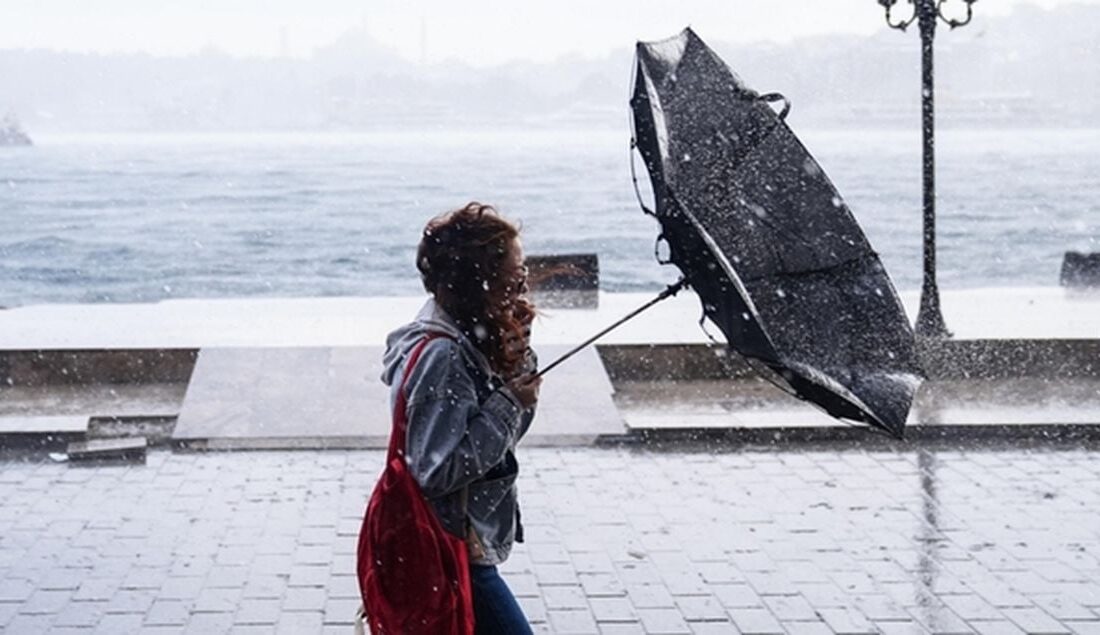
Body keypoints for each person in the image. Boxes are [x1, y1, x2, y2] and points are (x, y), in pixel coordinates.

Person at [380, 202, 541, 634]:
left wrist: (517, 363)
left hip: (459, 543)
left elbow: (505, 441)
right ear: (480, 281)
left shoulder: (466, 336)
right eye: (514, 275)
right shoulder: (444, 356)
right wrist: (508, 402)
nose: (523, 286)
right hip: (450, 546)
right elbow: (436, 470)